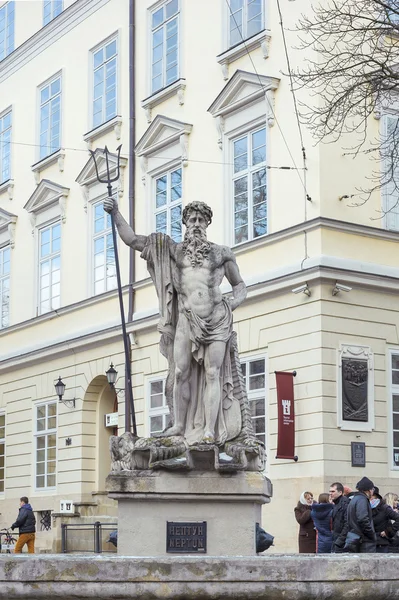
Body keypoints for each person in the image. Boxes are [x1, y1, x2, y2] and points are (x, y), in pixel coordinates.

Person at [104, 198, 248, 446]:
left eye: (201, 220)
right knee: (180, 372)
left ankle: (209, 431)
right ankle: (180, 425)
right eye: (192, 219)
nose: (196, 224)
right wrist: (116, 213)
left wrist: (232, 304)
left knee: (213, 374)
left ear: (207, 224)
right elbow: (132, 240)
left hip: (217, 320)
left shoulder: (221, 253)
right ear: (184, 223)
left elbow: (240, 285)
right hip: (186, 319)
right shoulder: (172, 250)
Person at [344, 477, 376, 553]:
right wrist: (371, 535)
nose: (373, 492)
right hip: (363, 541)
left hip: (356, 538)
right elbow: (363, 519)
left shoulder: (355, 499)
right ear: (369, 490)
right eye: (372, 489)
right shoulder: (362, 500)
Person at [371, 487, 399, 553]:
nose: (397, 502)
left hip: (388, 542)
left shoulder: (387, 510)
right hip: (381, 541)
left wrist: (388, 532)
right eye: (395, 500)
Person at [329, 481, 349, 552]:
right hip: (336, 540)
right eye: (330, 491)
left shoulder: (345, 504)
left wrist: (339, 541)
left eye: (333, 491)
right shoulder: (336, 504)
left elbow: (347, 524)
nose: (330, 494)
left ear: (340, 492)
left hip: (342, 543)